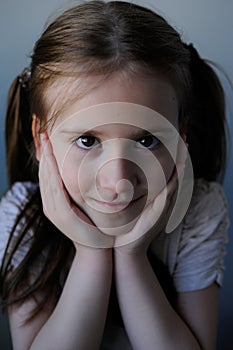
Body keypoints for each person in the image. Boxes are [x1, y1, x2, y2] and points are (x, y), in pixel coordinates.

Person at [0, 1, 229, 349]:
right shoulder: (22, 217)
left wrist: (130, 255)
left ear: (182, 136)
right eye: (88, 140)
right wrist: (91, 251)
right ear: (41, 139)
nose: (118, 179)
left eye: (147, 140)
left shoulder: (198, 211)